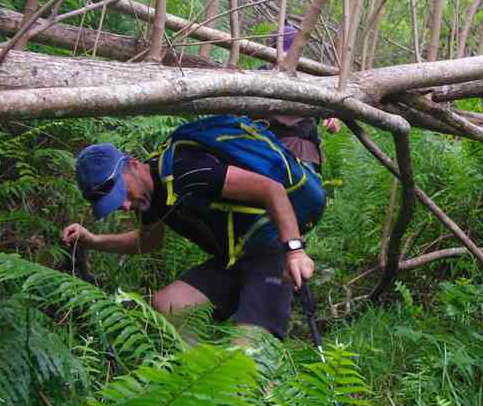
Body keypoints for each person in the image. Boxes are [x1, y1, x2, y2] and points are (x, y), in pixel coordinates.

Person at [61, 118, 322, 342]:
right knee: (169, 304)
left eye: (123, 194)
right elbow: (148, 242)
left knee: (249, 353)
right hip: (233, 258)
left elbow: (271, 190)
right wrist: (92, 239)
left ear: (133, 164)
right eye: (117, 204)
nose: (127, 206)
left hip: (270, 250)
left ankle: (251, 390)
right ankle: (197, 384)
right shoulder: (151, 195)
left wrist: (295, 251)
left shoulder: (186, 169)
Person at [265, 24, 341, 169]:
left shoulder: (310, 80)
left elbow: (333, 121)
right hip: (264, 147)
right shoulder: (258, 76)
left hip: (303, 153)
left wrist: (333, 118)